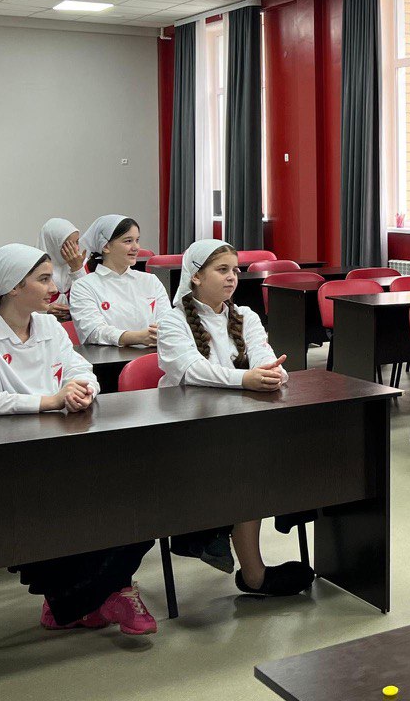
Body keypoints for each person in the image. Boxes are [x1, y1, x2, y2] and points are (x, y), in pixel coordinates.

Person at [0, 243, 156, 634]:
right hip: (5, 462)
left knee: (143, 493)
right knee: (63, 503)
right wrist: (48, 401)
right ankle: (106, 596)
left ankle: (80, 602)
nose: (54, 287)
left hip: (61, 447)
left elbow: (82, 370)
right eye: (43, 279)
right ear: (13, 287)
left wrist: (82, 390)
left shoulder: (48, 326)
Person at [157, 239, 313, 597]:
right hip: (188, 430)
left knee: (291, 448)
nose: (232, 277)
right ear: (196, 277)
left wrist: (273, 374)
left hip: (238, 423)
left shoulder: (246, 316)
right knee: (249, 463)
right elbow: (191, 370)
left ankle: (247, 546)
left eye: (235, 270)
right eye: (222, 270)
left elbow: (265, 358)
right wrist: (245, 379)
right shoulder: (171, 320)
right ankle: (253, 573)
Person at [69, 215, 170, 347]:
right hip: (110, 358)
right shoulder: (84, 286)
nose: (136, 247)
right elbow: (94, 332)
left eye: (137, 240)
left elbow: (168, 321)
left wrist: (161, 333)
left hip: (154, 354)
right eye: (128, 241)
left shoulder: (150, 281)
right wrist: (139, 337)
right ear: (105, 246)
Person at [38, 218, 87, 319]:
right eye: (69, 245)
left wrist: (78, 270)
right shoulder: (33, 268)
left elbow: (91, 301)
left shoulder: (83, 264)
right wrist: (44, 310)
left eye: (77, 242)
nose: (76, 249)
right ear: (53, 245)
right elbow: (19, 307)